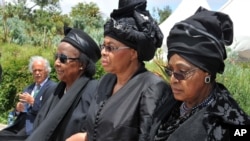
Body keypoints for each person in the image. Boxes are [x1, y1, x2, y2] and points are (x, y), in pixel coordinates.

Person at [66, 0, 171, 141]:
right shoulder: (106, 80)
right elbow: (92, 132)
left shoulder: (153, 88)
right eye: (103, 46)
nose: (103, 52)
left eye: (111, 47)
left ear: (133, 53)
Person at [150, 7, 250, 141]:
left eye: (182, 72)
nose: (173, 79)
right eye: (170, 70)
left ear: (207, 74)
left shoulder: (229, 124)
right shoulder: (170, 104)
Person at [25, 26, 101, 141]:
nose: (56, 63)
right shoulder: (53, 92)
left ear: (82, 64)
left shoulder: (94, 92)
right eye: (56, 57)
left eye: (63, 58)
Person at [0, 56, 57, 139]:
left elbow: (48, 111)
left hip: (34, 125)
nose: (37, 73)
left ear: (46, 71)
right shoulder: (28, 88)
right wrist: (18, 109)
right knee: (2, 135)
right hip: (20, 123)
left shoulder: (52, 88)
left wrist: (33, 102)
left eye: (40, 70)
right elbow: (21, 109)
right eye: (34, 70)